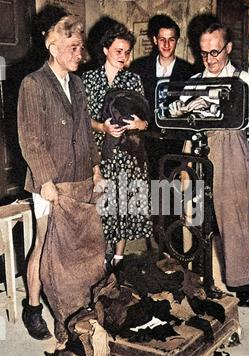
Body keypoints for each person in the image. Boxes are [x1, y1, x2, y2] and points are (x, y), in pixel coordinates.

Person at [18, 15, 103, 340]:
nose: (78, 53)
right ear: (52, 47)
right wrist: (45, 181)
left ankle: (76, 308)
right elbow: (31, 139)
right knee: (45, 245)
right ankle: (34, 306)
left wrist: (95, 168)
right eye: (71, 47)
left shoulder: (77, 85)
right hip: (49, 184)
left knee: (75, 250)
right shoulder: (34, 84)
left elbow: (84, 131)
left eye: (80, 47)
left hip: (78, 179)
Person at [170, 21, 249, 307]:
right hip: (197, 147)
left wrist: (204, 106)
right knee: (194, 213)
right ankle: (202, 278)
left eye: (215, 52)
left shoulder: (243, 80)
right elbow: (175, 113)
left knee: (233, 215)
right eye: (204, 53)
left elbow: (244, 115)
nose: (209, 59)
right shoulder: (193, 82)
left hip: (230, 147)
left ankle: (242, 283)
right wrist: (184, 108)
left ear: (228, 49)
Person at [82, 23, 152, 270]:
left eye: (127, 52)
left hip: (129, 154)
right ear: (105, 50)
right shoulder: (88, 79)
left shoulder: (133, 79)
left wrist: (138, 124)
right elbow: (82, 119)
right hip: (100, 153)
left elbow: (146, 122)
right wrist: (103, 127)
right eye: (118, 51)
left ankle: (119, 258)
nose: (123, 57)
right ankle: (100, 257)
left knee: (123, 205)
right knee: (103, 205)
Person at [130, 14, 196, 180]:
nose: (166, 45)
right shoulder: (139, 68)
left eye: (171, 39)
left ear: (177, 41)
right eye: (162, 39)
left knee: (171, 194)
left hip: (176, 142)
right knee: (149, 190)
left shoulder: (189, 72)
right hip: (146, 139)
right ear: (154, 40)